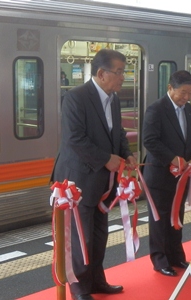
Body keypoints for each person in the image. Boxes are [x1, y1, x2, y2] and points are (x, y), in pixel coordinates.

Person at [51, 49, 137, 300]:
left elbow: (117, 132)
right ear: (101, 73)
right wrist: (106, 159)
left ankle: (97, 280)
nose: (124, 77)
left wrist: (126, 153)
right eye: (119, 72)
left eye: (124, 72)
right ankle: (80, 288)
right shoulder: (76, 98)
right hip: (78, 179)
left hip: (103, 180)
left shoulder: (114, 98)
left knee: (99, 234)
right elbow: (75, 139)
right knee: (80, 236)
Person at [142, 70, 191, 277]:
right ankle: (160, 260)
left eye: (190, 93)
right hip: (160, 175)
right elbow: (149, 141)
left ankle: (176, 256)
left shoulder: (188, 110)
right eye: (183, 93)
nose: (186, 98)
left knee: (177, 216)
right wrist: (173, 159)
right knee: (160, 218)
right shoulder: (156, 109)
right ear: (170, 88)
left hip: (181, 175)